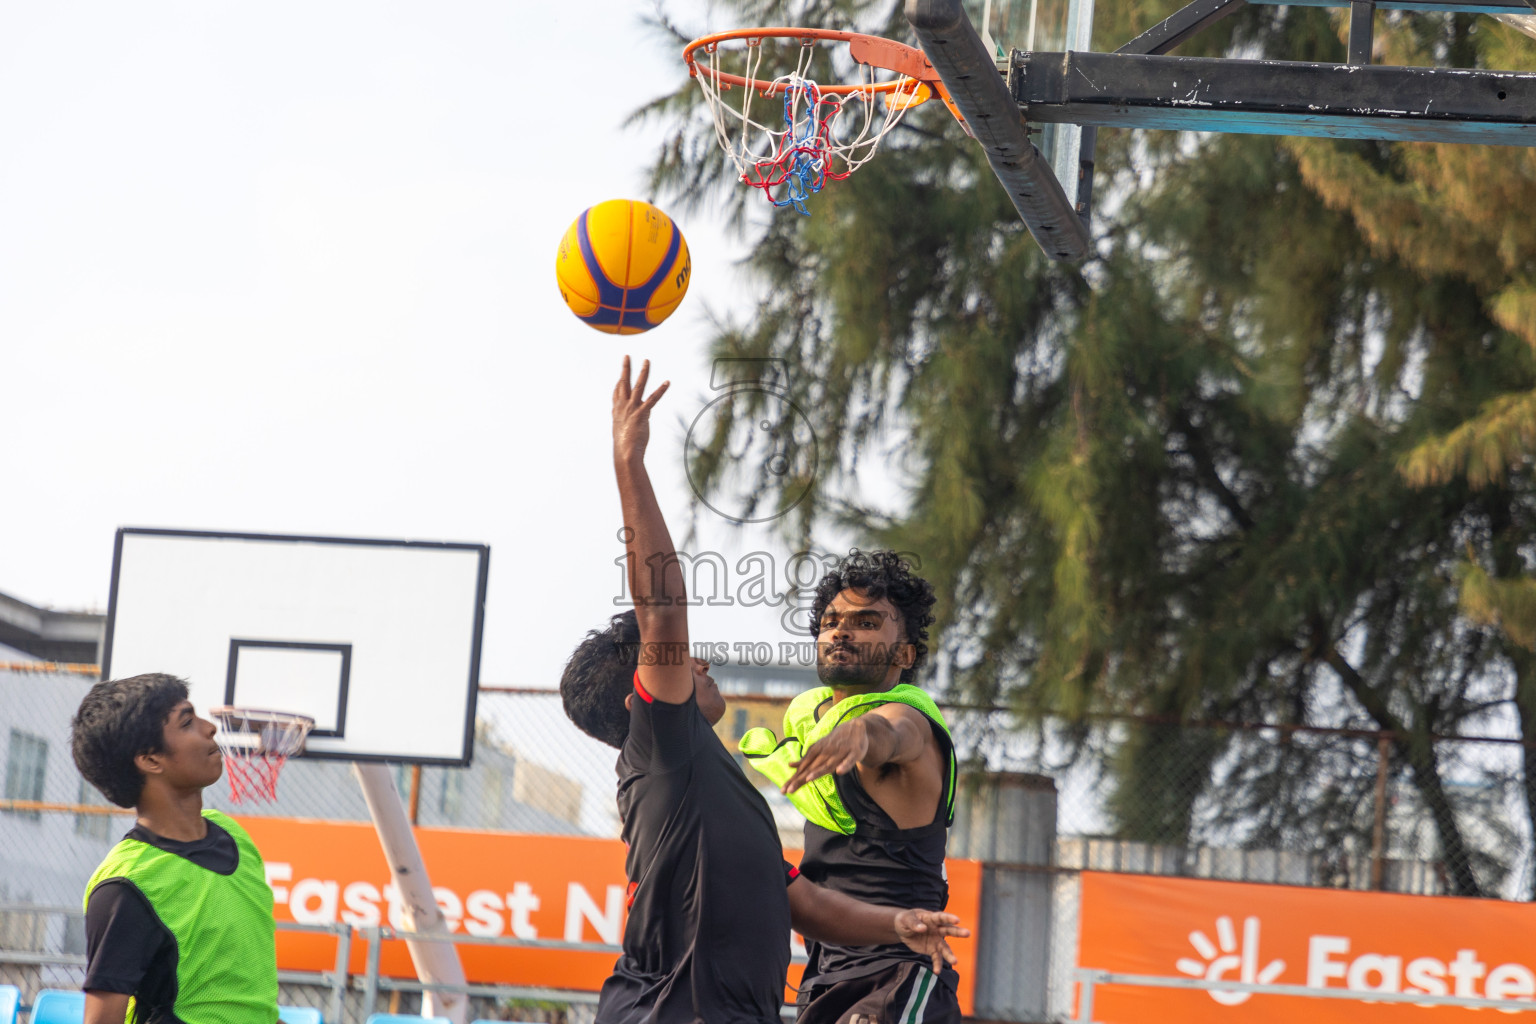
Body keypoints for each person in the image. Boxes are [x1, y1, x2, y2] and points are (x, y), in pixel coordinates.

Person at [560, 358, 967, 1024]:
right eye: (681, 660)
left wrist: (897, 924)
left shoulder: (713, 785)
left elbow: (799, 900)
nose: (702, 661)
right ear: (644, 696)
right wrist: (629, 464)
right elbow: (662, 604)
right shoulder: (665, 748)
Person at [738, 550, 961, 1024]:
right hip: (824, 976)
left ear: (904, 654)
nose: (840, 630)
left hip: (896, 975)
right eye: (831, 620)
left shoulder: (910, 722)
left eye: (865, 622)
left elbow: (892, 733)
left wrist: (862, 734)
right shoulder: (815, 724)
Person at [70, 672, 279, 1024]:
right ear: (151, 760)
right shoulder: (127, 885)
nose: (209, 727)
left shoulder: (234, 835)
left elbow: (244, 1002)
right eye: (187, 722)